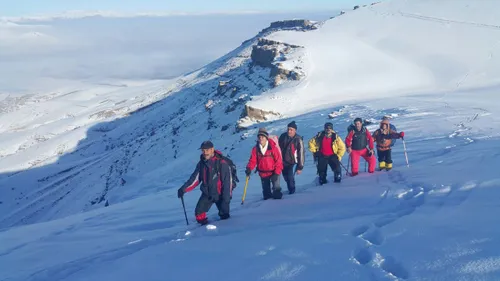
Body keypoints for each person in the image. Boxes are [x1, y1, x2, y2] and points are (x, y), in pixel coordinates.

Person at [177, 141, 232, 225]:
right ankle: (203, 230)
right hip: (207, 193)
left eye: (207, 150)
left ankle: (225, 232)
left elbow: (227, 182)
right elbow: (195, 179)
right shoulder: (202, 163)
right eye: (203, 150)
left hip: (220, 194)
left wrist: (226, 198)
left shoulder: (222, 163)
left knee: (224, 216)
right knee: (199, 214)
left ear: (212, 149)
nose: (205, 152)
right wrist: (183, 189)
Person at [246, 128, 283, 199]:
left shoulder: (273, 148)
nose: (260, 139)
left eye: (262, 137)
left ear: (266, 138)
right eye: (259, 137)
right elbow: (253, 160)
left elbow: (279, 161)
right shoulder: (255, 149)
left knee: (277, 193)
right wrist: (249, 168)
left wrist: (277, 173)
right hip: (263, 173)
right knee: (266, 195)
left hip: (274, 172)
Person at [278, 121, 305, 194]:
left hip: (291, 162)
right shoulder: (283, 136)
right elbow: (277, 148)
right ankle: (290, 188)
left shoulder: (298, 139)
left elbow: (301, 153)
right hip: (282, 161)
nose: (289, 131)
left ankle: (292, 191)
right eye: (288, 129)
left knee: (290, 177)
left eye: (291, 130)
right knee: (285, 177)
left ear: (295, 130)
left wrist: (300, 167)